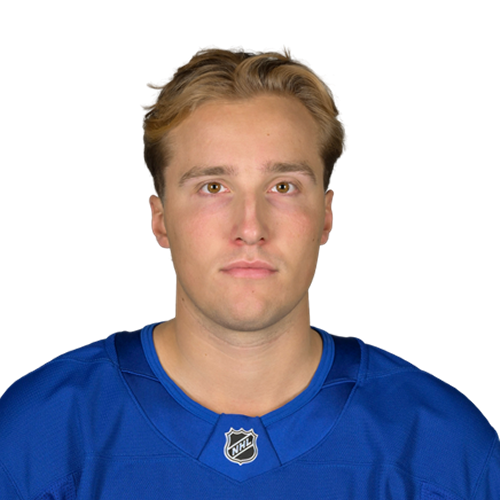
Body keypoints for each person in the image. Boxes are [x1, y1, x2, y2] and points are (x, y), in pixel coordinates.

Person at [1, 45, 498, 499]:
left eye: (283, 186)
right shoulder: (32, 434)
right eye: (213, 187)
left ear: (326, 216)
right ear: (160, 219)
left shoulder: (446, 447)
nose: (251, 228)